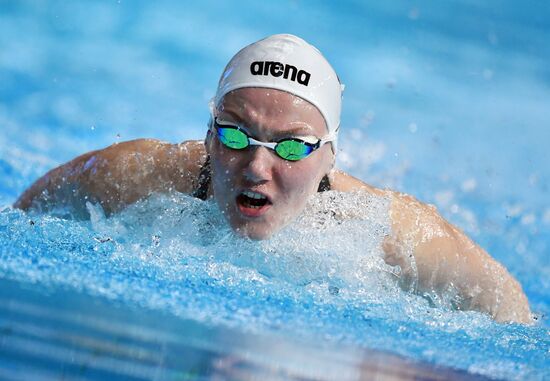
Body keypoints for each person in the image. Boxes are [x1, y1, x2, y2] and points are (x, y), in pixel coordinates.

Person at [14, 34, 532, 324]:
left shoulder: (392, 231)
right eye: (237, 137)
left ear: (330, 156)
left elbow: (513, 315)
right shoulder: (137, 174)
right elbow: (21, 219)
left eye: (290, 147)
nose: (257, 169)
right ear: (210, 134)